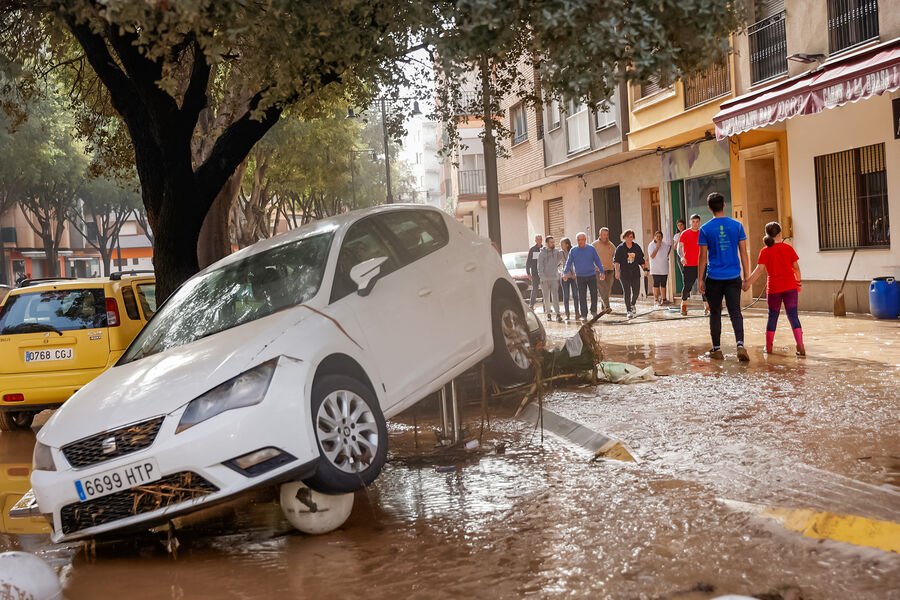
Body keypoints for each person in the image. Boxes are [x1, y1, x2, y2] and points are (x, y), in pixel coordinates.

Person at [698, 192, 751, 362]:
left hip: (714, 278)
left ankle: (717, 349)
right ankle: (740, 345)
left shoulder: (705, 229)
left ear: (709, 208)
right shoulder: (737, 226)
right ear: (724, 206)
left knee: (715, 312)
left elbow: (702, 257)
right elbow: (744, 253)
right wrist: (747, 277)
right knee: (735, 311)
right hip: (733, 276)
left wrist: (700, 279)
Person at [743, 222, 805, 356]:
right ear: (780, 234)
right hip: (790, 286)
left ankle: (769, 347)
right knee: (793, 316)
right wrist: (798, 283)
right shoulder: (788, 248)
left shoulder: (765, 251)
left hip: (774, 289)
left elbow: (759, 271)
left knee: (772, 317)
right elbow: (796, 268)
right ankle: (800, 346)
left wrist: (747, 283)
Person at [563, 232, 605, 319]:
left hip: (591, 275)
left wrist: (602, 271)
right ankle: (584, 314)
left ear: (585, 240)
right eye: (578, 240)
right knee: (582, 296)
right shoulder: (573, 250)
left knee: (594, 294)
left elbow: (597, 260)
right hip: (580, 276)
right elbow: (569, 262)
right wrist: (565, 273)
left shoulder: (591, 249)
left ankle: (593, 311)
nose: (580, 241)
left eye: (582, 240)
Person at [677, 214, 709, 316]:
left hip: (701, 265)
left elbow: (708, 248)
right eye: (693, 222)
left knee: (703, 286)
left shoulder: (703, 233)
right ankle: (684, 304)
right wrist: (682, 257)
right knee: (687, 286)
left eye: (697, 222)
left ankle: (707, 307)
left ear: (699, 222)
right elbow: (679, 248)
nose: (695, 224)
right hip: (689, 265)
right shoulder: (685, 233)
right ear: (690, 222)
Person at [613, 229, 646, 319]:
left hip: (635, 272)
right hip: (624, 273)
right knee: (627, 292)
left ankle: (633, 304)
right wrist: (617, 272)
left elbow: (641, 260)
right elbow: (616, 261)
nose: (629, 238)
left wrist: (645, 269)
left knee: (636, 292)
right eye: (628, 237)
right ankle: (628, 310)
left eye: (631, 237)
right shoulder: (620, 248)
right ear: (624, 237)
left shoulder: (636, 247)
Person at [537, 235, 564, 322]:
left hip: (554, 278)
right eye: (551, 242)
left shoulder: (556, 252)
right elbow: (539, 267)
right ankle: (548, 314)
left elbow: (561, 259)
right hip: (544, 279)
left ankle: (558, 314)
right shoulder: (541, 254)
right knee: (546, 298)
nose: (553, 244)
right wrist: (542, 277)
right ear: (547, 243)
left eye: (553, 242)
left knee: (555, 297)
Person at [592, 228, 617, 312]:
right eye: (604, 235)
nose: (606, 237)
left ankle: (603, 305)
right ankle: (607, 306)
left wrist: (615, 265)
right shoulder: (594, 245)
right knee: (602, 288)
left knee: (608, 289)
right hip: (598, 271)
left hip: (610, 270)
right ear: (600, 235)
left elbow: (616, 256)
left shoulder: (611, 245)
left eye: (607, 235)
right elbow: (590, 258)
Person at [559, 237, 581, 321]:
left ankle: (577, 313)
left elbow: (578, 263)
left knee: (575, 295)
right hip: (565, 277)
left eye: (562, 244)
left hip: (574, 277)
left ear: (567, 244)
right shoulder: (560, 253)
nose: (561, 245)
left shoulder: (574, 251)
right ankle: (567, 314)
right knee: (566, 296)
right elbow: (557, 265)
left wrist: (576, 273)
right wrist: (562, 273)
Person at [647, 230, 671, 306]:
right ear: (654, 237)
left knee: (663, 284)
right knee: (656, 284)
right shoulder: (651, 245)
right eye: (657, 236)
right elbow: (652, 256)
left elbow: (667, 253)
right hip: (655, 268)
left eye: (660, 237)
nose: (659, 238)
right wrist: (657, 247)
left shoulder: (665, 244)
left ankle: (664, 299)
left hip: (664, 267)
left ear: (662, 237)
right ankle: (656, 299)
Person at [525, 234, 543, 309]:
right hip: (535, 273)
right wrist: (528, 273)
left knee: (544, 290)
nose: (539, 241)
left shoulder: (544, 249)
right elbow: (528, 262)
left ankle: (546, 307)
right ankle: (531, 305)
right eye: (538, 239)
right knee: (535, 289)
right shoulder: (532, 249)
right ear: (535, 240)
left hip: (543, 273)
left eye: (540, 239)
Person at [673, 218, 686, 283]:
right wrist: (680, 237)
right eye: (678, 225)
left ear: (684, 225)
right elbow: (675, 247)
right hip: (680, 256)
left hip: (688, 254)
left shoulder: (687, 233)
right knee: (683, 272)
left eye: (681, 225)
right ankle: (686, 289)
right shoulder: (676, 235)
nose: (680, 227)